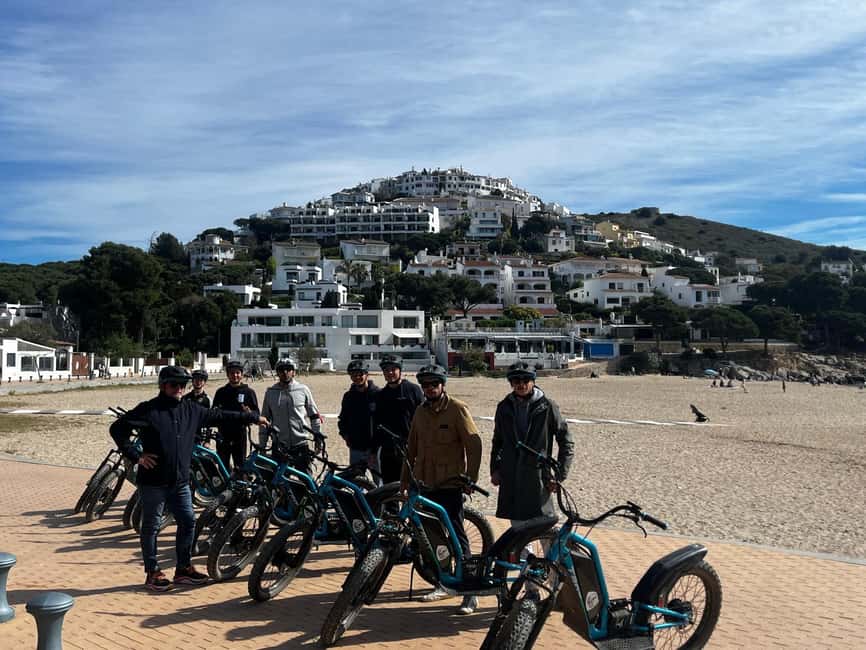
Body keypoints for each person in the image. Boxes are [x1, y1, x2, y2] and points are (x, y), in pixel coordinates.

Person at [110, 365, 268, 592]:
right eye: (174, 385)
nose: (179, 389)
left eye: (182, 385)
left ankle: (183, 569)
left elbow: (221, 415)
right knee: (152, 526)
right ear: (163, 385)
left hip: (181, 482)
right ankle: (152, 572)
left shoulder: (191, 409)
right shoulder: (148, 410)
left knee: (188, 522)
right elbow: (117, 429)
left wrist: (252, 417)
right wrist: (137, 456)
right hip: (154, 482)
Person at [401, 364, 482, 614]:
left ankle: (470, 592)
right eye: (425, 385)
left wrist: (470, 478)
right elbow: (411, 448)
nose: (429, 389)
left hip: (450, 484)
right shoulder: (420, 412)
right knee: (433, 536)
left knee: (458, 537)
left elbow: (474, 444)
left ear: (442, 385)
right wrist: (405, 480)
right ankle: (444, 582)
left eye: (434, 384)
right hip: (425, 484)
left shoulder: (457, 409)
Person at [490, 362, 574, 600]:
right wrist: (495, 469)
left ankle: (556, 589)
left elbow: (566, 441)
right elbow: (497, 441)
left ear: (533, 380)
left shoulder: (547, 406)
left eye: (525, 379)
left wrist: (559, 474)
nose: (520, 384)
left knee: (548, 538)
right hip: (512, 481)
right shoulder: (504, 407)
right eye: (515, 380)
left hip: (539, 482)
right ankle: (531, 590)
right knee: (520, 540)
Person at [260, 358, 322, 474]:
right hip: (279, 445)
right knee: (279, 483)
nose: (285, 372)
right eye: (281, 370)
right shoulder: (270, 392)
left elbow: (314, 416)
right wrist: (262, 446)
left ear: (294, 372)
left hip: (301, 444)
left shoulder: (303, 390)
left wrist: (317, 436)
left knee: (306, 481)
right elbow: (264, 420)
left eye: (289, 369)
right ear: (277, 372)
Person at [373, 354, 423, 483]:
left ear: (400, 370)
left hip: (410, 448)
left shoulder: (413, 390)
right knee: (390, 491)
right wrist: (374, 450)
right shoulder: (380, 395)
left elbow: (424, 419)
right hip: (388, 451)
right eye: (386, 370)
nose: (390, 373)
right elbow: (376, 424)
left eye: (393, 369)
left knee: (414, 490)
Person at [211, 360, 259, 472]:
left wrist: (250, 413)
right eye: (232, 373)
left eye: (237, 373)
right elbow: (213, 413)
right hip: (223, 434)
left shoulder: (248, 392)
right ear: (227, 375)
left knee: (240, 466)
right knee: (223, 466)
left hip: (240, 434)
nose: (235, 375)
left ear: (242, 374)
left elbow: (256, 414)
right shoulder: (221, 392)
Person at [338, 360, 381, 483]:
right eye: (353, 375)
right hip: (355, 448)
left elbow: (383, 423)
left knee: (379, 483)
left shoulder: (378, 395)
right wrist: (345, 435)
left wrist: (376, 448)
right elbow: (343, 419)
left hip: (375, 449)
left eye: (360, 374)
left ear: (367, 374)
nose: (357, 377)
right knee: (356, 483)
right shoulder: (348, 396)